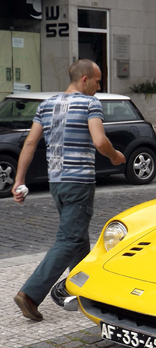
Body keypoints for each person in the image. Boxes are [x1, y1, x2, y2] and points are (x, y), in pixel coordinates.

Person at [12, 59, 126, 321]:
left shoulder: (46, 105)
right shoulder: (90, 104)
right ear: (84, 79)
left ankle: (86, 290)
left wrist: (18, 180)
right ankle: (30, 294)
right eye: (98, 81)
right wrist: (115, 156)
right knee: (71, 239)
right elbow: (99, 140)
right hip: (79, 182)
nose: (99, 86)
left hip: (57, 183)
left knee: (77, 236)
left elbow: (30, 143)